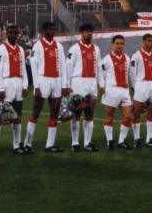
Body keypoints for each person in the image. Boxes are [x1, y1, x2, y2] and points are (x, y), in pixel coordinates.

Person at [26, 21, 69, 153]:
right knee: (36, 112)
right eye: (50, 29)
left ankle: (50, 145)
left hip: (56, 80)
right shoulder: (38, 46)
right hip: (43, 79)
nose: (52, 31)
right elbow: (34, 66)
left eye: (54, 29)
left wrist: (64, 85)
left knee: (54, 113)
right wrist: (36, 86)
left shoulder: (59, 46)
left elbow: (63, 66)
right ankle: (27, 144)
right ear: (44, 31)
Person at [0, 24, 30, 155]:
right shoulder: (1, 49)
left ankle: (16, 146)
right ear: (6, 34)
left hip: (18, 82)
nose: (13, 35)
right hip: (6, 82)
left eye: (16, 33)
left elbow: (24, 68)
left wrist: (25, 85)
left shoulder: (20, 49)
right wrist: (0, 87)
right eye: (11, 33)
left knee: (17, 116)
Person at [65, 23, 103, 152]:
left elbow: (99, 68)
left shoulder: (96, 49)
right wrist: (67, 85)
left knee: (89, 112)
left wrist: (101, 84)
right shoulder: (74, 49)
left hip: (91, 83)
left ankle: (87, 143)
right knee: (76, 113)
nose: (89, 33)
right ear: (81, 33)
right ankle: (75, 143)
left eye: (91, 31)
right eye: (87, 31)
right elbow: (68, 67)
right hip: (78, 82)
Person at [100, 35, 133, 150]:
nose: (119, 46)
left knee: (128, 117)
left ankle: (121, 141)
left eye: (121, 44)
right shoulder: (107, 59)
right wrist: (102, 86)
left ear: (124, 44)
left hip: (125, 90)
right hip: (111, 90)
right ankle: (110, 141)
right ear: (112, 44)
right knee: (110, 116)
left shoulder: (127, 59)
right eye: (117, 44)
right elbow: (101, 75)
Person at [130, 33, 152, 148]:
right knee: (137, 112)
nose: (151, 43)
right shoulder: (136, 56)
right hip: (141, 84)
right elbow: (132, 73)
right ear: (144, 42)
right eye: (149, 41)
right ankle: (137, 139)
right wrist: (134, 87)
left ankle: (149, 139)